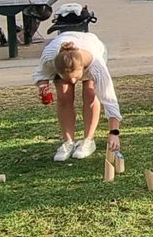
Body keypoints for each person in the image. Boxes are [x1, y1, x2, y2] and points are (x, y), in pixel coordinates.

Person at [32, 32, 122, 162]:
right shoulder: (49, 58)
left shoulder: (96, 65)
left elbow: (109, 100)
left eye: (76, 77)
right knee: (64, 96)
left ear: (83, 68)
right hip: (61, 52)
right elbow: (41, 74)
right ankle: (68, 142)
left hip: (94, 47)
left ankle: (88, 140)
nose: (73, 81)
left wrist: (114, 133)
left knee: (90, 93)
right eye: (68, 78)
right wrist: (43, 88)